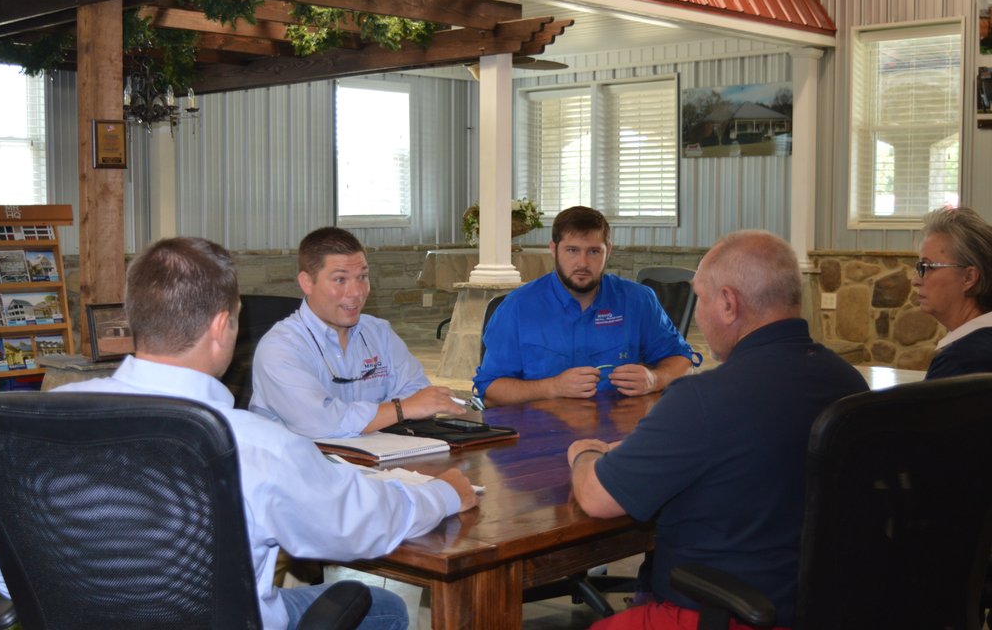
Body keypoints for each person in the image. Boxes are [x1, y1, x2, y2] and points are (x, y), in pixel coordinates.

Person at [0, 237, 478, 630]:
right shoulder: (252, 444)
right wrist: (443, 494)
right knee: (384, 608)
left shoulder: (33, 426)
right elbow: (361, 525)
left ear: (134, 319)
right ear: (223, 326)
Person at [568, 230, 869, 630]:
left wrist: (585, 454)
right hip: (826, 606)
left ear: (728, 303)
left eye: (702, 299)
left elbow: (595, 498)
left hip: (721, 614)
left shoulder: (703, 399)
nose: (700, 315)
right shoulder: (847, 381)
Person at [250, 227, 466, 438]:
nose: (356, 292)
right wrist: (400, 409)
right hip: (304, 468)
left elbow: (417, 391)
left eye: (362, 277)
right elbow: (322, 422)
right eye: (340, 279)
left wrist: (404, 408)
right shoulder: (280, 348)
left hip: (379, 461)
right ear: (307, 282)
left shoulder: (379, 333)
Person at [473, 206, 696, 407]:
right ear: (553, 249)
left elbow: (683, 361)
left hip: (621, 437)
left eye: (593, 251)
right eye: (572, 250)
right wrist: (553, 387)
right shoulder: (518, 307)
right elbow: (491, 390)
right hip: (541, 437)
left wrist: (654, 379)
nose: (582, 263)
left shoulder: (637, 300)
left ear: (608, 250)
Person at [912, 206, 992, 379]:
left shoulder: (962, 361)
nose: (915, 281)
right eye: (920, 268)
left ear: (969, 277)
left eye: (927, 267)